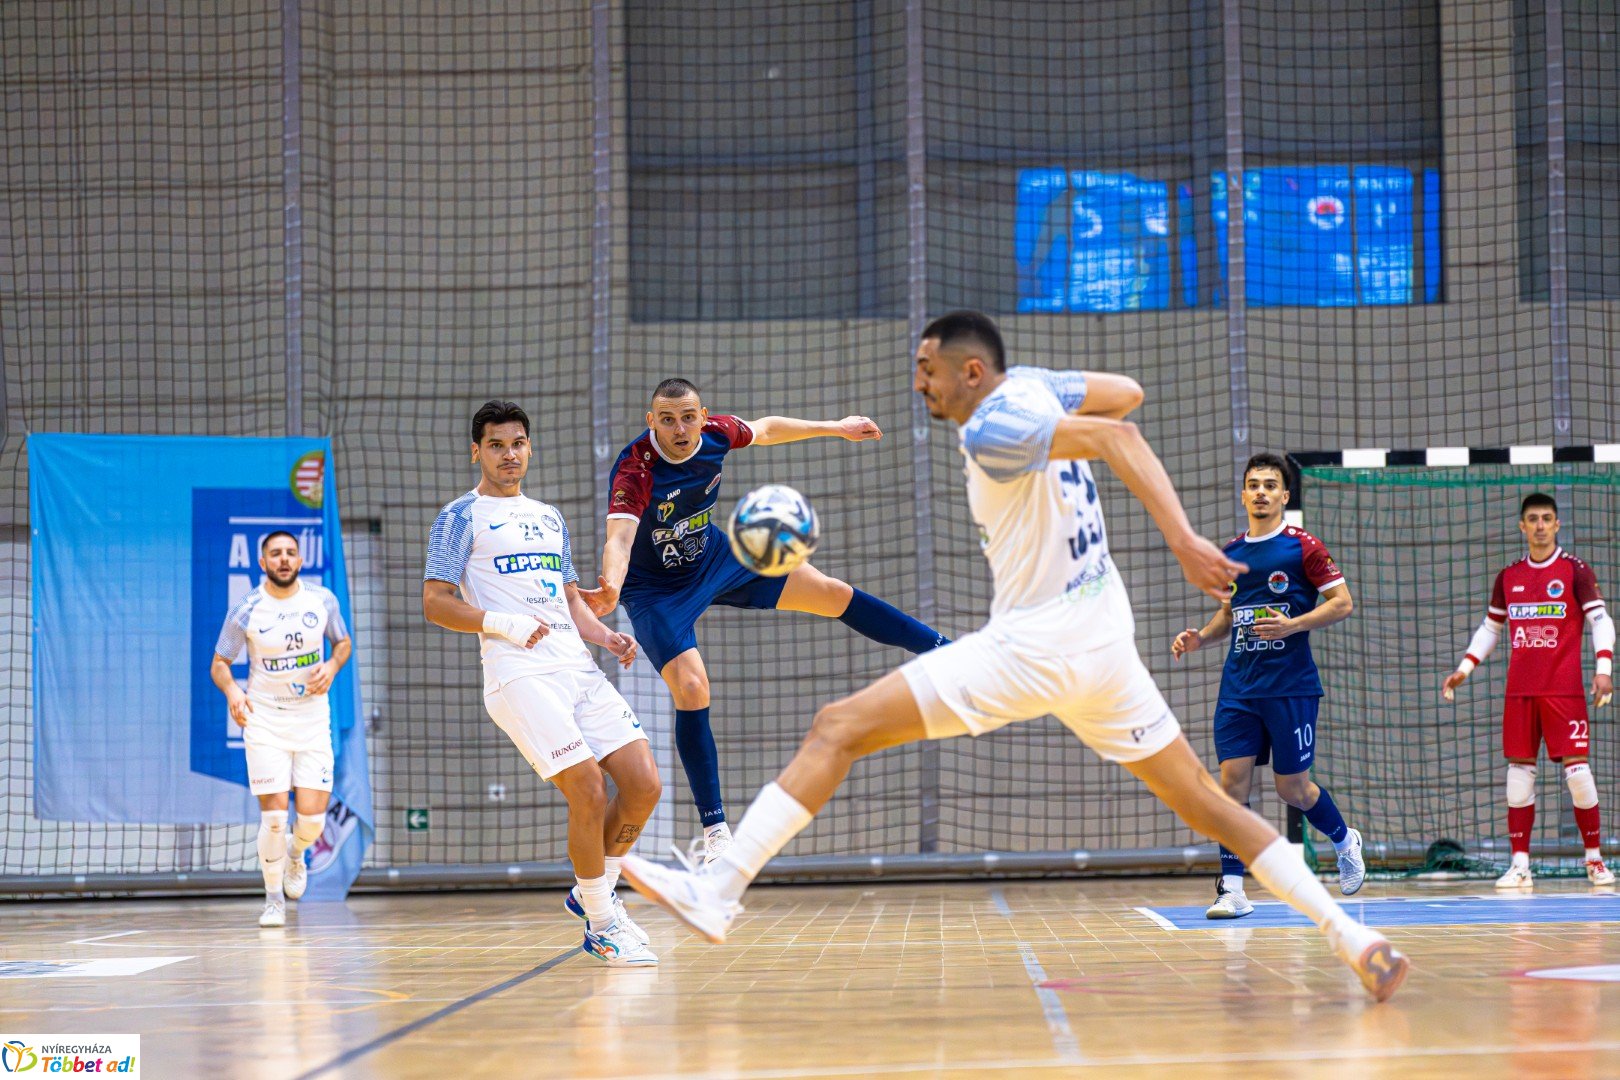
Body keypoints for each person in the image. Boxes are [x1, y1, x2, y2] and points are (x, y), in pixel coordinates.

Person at [618, 311, 1409, 1002]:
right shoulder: (1028, 392)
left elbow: (1119, 432)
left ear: (970, 373)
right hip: (1105, 638)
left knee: (837, 727)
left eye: (927, 370)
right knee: (1208, 802)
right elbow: (1125, 393)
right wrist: (1045, 383)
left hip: (1035, 644)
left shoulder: (990, 427)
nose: (917, 383)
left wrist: (1184, 541)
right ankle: (1351, 937)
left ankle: (719, 890)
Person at [581, 378, 948, 863]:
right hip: (655, 591)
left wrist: (836, 427)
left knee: (831, 592)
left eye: (688, 416)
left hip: (714, 557)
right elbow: (620, 539)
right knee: (692, 688)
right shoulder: (635, 469)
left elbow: (768, 428)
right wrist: (610, 585)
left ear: (702, 415)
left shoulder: (716, 434)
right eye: (667, 419)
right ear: (652, 422)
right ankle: (716, 835)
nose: (679, 428)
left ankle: (946, 651)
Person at [423, 399, 663, 966]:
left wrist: (604, 636)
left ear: (529, 448)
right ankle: (603, 922)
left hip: (576, 665)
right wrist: (501, 623)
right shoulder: (460, 516)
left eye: (518, 444)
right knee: (587, 789)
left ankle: (590, 888)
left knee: (643, 785)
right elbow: (435, 603)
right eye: (497, 445)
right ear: (477, 451)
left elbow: (566, 596)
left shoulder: (549, 516)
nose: (510, 454)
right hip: (518, 673)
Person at [1172, 453, 1364, 919]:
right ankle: (1233, 889)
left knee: (1292, 790)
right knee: (1231, 785)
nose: (1261, 492)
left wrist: (1293, 625)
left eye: (1269, 485)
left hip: (1291, 686)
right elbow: (1228, 615)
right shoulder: (1231, 554)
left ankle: (1344, 840)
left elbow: (1342, 603)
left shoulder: (1303, 548)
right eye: (1253, 485)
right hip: (1239, 686)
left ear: (1284, 495)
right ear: (1243, 495)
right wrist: (1200, 637)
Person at [1442, 492, 1615, 888]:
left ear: (1557, 525)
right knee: (1518, 777)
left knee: (1578, 774)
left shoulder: (1576, 571)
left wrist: (1603, 668)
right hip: (1520, 692)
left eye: (1547, 518)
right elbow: (1491, 627)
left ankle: (1594, 861)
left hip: (1564, 690)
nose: (1540, 525)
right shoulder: (1509, 577)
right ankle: (1520, 866)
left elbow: (1601, 621)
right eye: (1533, 519)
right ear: (1522, 526)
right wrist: (1465, 668)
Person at [211, 530, 351, 928]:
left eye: (291, 552)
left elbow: (342, 644)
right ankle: (273, 899)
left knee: (311, 822)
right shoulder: (247, 608)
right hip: (265, 720)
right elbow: (219, 663)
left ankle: (296, 853)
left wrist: (332, 665)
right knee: (273, 818)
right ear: (263, 563)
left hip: (311, 719)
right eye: (276, 554)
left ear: (300, 560)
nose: (284, 559)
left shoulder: (322, 600)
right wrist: (233, 693)